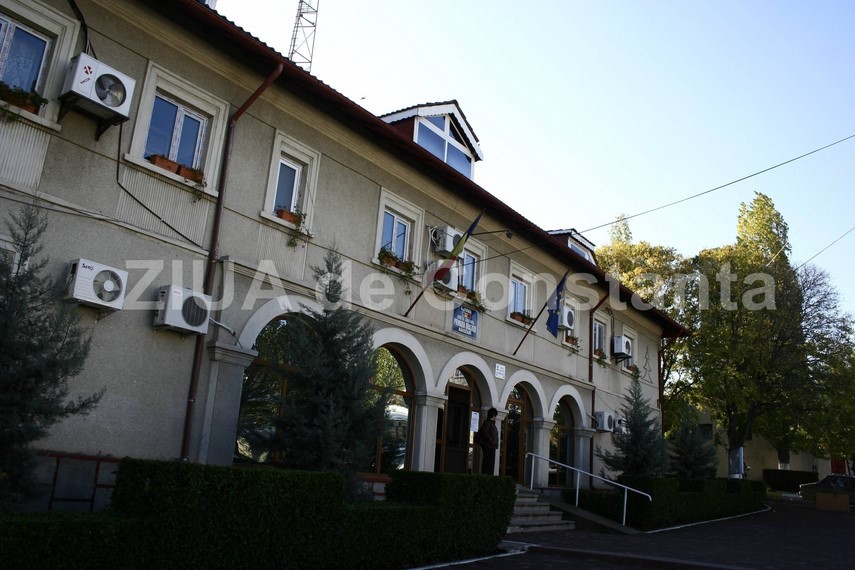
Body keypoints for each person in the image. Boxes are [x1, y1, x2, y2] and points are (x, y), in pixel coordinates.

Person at [478, 407, 499, 475]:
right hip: (488, 446)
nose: (496, 417)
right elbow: (485, 433)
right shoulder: (487, 423)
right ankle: (486, 478)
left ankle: (489, 478)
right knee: (487, 464)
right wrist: (492, 441)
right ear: (493, 416)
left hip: (491, 446)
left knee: (490, 465)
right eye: (495, 416)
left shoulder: (491, 423)